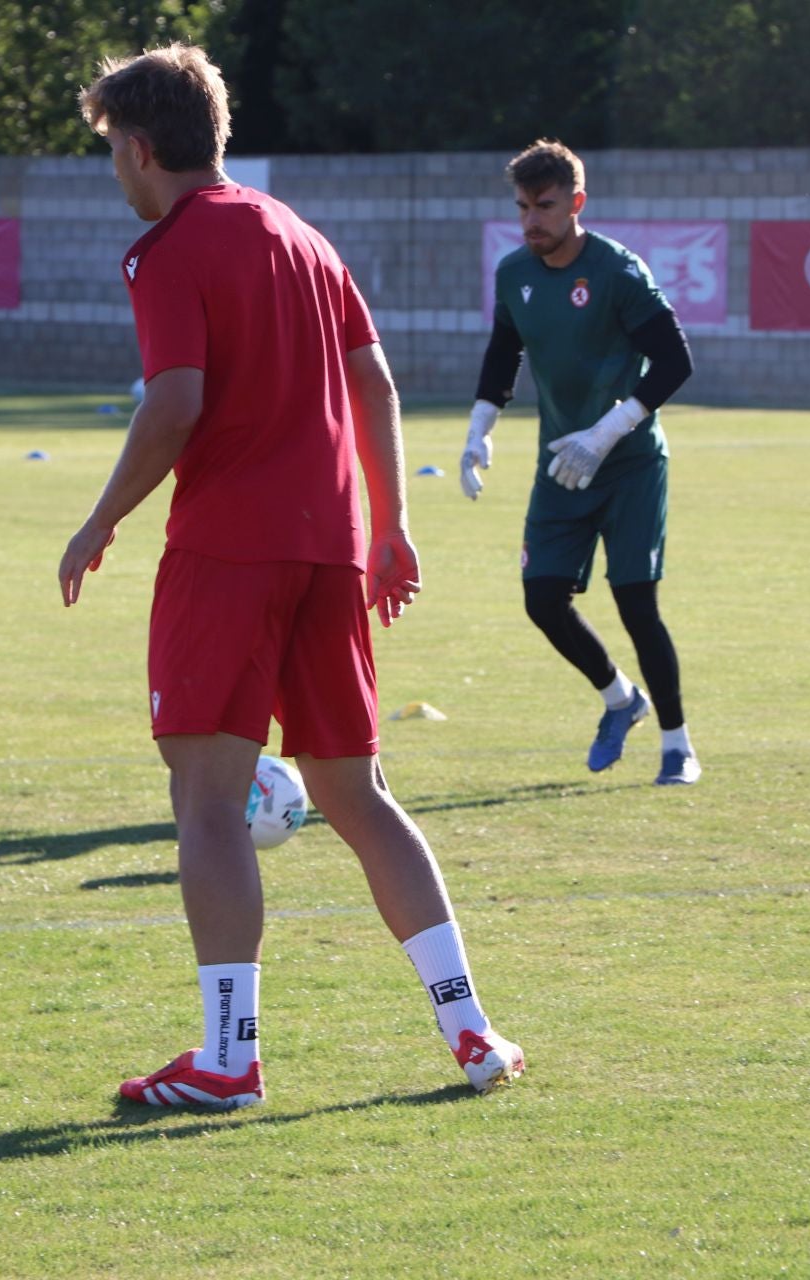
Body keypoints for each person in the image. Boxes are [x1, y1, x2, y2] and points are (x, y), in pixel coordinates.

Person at [59, 43, 523, 1110]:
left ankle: (230, 1057)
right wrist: (391, 526)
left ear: (141, 149)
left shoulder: (169, 250)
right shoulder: (303, 235)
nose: (115, 172)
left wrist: (100, 519)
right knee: (359, 794)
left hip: (228, 551)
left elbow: (174, 402)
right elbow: (376, 381)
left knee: (206, 800)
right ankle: (471, 1030)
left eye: (112, 151)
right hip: (331, 550)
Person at [461, 139, 701, 786]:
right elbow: (504, 351)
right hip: (563, 463)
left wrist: (608, 431)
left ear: (577, 203)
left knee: (636, 604)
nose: (531, 220)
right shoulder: (514, 272)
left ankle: (677, 745)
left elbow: (676, 362)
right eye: (522, 207)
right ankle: (622, 699)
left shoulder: (618, 272)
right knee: (542, 599)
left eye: (544, 206)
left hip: (629, 465)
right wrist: (480, 429)